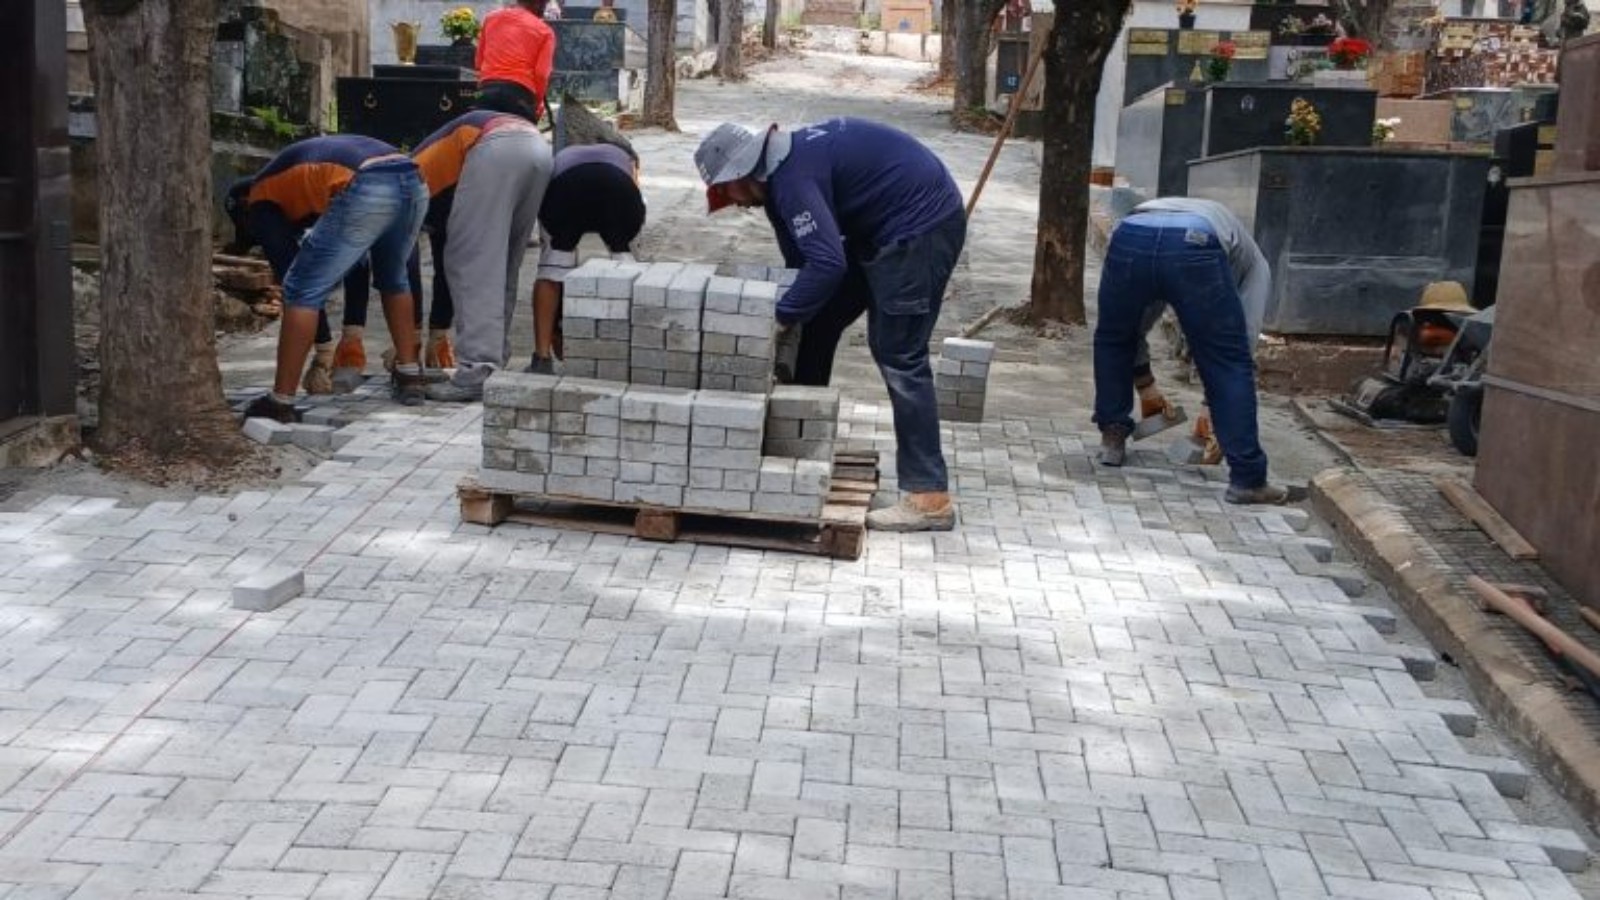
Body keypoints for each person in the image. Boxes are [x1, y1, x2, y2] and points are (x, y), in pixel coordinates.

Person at [693, 118, 966, 533]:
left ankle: (929, 496)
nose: (735, 204)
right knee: (818, 321)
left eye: (727, 193)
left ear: (741, 174)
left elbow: (827, 264)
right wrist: (788, 317)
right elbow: (804, 265)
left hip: (918, 231)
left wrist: (780, 318)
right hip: (879, 228)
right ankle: (802, 439)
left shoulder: (792, 181)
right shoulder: (776, 184)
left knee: (899, 353)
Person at [1092, 197, 1297, 505]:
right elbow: (1242, 342)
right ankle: (1248, 479)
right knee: (1230, 361)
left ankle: (1112, 437)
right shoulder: (1256, 266)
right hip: (1194, 242)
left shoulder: (1220, 236)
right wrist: (1213, 408)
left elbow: (1132, 331)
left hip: (1132, 234)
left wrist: (1149, 388)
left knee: (1113, 337)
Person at [226, 135, 429, 422]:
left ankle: (280, 401)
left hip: (366, 181)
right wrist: (349, 334)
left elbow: (291, 276)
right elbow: (357, 263)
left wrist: (323, 352)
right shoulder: (308, 180)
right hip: (412, 177)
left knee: (300, 289)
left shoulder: (260, 197)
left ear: (244, 205)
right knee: (394, 278)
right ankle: (409, 376)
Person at [411, 109, 554, 402]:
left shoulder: (407, 175)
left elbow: (409, 259)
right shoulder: (429, 164)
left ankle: (477, 369)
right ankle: (494, 359)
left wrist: (410, 336)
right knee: (504, 261)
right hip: (537, 147)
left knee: (472, 262)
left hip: (494, 148)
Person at [530, 141, 646, 373]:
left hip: (566, 190)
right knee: (627, 270)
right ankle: (628, 353)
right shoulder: (625, 157)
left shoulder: (563, 154)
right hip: (618, 188)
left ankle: (542, 357)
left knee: (551, 272)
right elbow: (635, 191)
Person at [475, 0, 556, 123]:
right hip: (520, 96)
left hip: (486, 92)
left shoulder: (491, 18)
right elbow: (541, 74)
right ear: (537, 4)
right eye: (544, 4)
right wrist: (537, 104)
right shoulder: (545, 31)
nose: (544, 11)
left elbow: (478, 62)